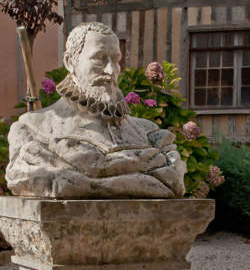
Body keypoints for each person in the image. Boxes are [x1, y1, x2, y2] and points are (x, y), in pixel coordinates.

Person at [6, 22, 186, 199]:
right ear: (70, 62)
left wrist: (84, 182)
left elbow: (174, 181)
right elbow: (28, 178)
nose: (111, 71)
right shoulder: (32, 128)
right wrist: (140, 177)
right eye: (99, 59)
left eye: (115, 60)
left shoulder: (149, 133)